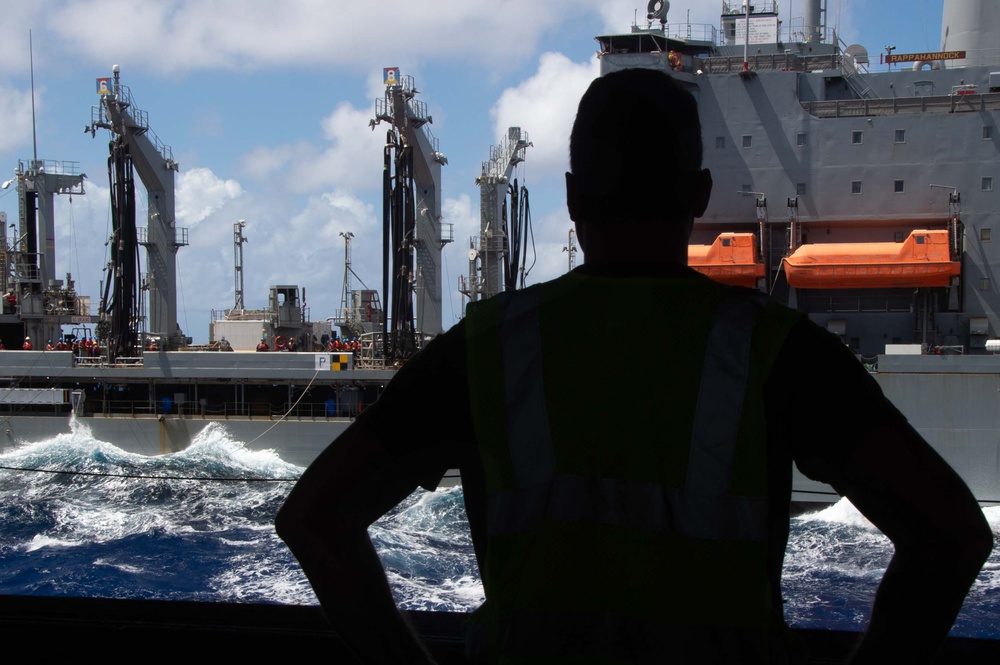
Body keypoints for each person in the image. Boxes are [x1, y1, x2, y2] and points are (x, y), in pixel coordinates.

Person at [275, 69, 992, 663]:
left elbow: (314, 518)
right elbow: (951, 532)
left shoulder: (488, 346)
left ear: (572, 198)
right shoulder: (776, 350)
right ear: (699, 195)